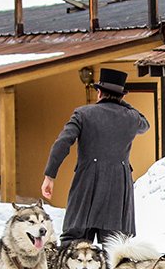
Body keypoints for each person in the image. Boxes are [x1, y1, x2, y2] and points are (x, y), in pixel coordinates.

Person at [41, 68, 149, 245]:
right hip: (118, 192)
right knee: (115, 252)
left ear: (99, 92)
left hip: (86, 186)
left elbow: (62, 143)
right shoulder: (131, 117)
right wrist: (122, 104)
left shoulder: (83, 114)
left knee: (74, 245)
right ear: (121, 95)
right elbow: (145, 123)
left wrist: (50, 175)